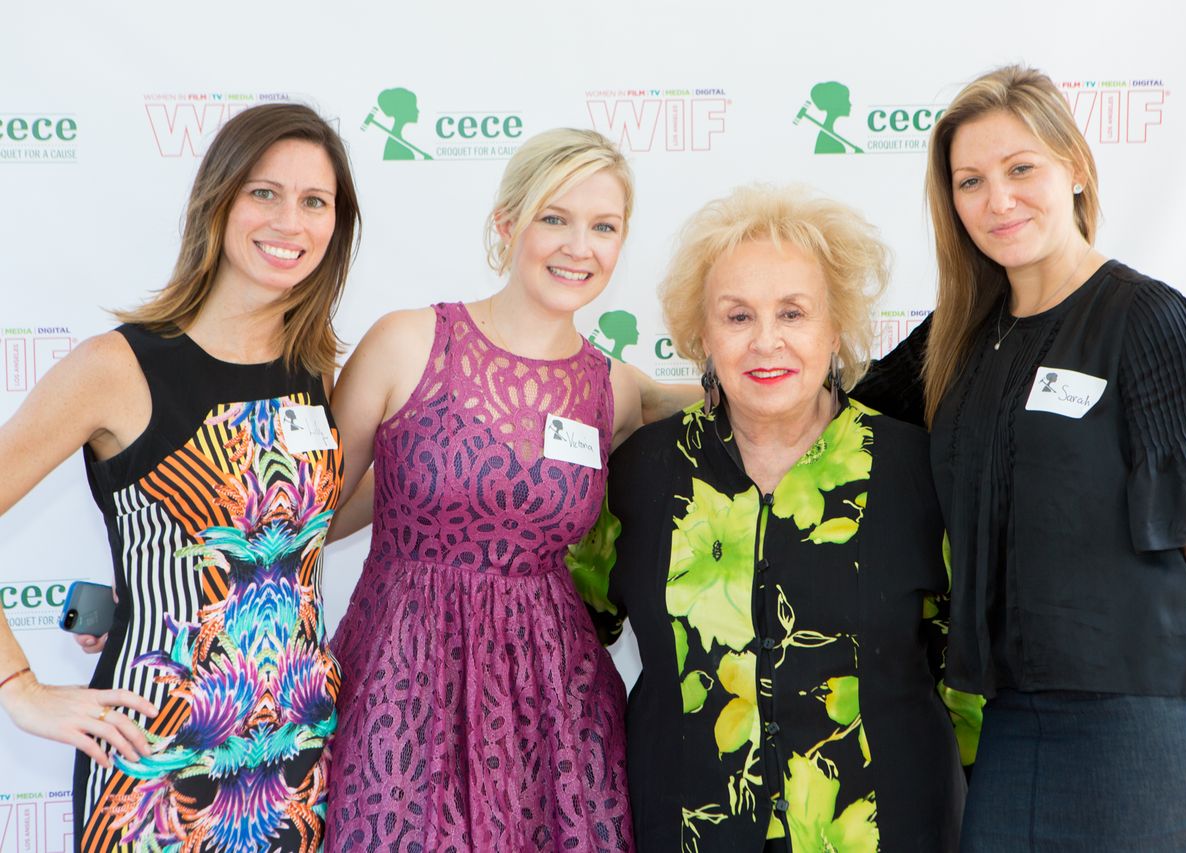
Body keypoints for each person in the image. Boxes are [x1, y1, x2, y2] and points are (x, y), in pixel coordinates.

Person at [855, 65, 1186, 850]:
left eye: (1022, 169)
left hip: (1152, 721)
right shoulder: (959, 337)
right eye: (971, 180)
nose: (998, 199)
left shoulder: (1150, 320)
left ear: (1075, 169)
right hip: (1015, 724)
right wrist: (619, 385)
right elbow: (820, 405)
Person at [569, 185, 977, 851]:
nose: (766, 342)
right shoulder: (639, 473)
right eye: (737, 317)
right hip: (685, 826)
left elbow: (970, 672)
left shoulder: (919, 471)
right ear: (701, 333)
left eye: (793, 313)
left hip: (890, 826)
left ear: (836, 327)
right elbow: (567, 634)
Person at [0, 102, 360, 851]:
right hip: (154, 762)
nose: (289, 222)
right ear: (218, 201)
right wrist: (19, 689)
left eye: (314, 201)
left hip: (296, 760)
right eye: (264, 192)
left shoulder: (312, 367)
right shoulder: (117, 367)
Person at [325, 128, 691, 851]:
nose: (578, 246)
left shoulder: (613, 387)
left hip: (552, 704)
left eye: (603, 226)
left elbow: (713, 397)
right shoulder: (407, 340)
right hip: (403, 684)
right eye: (554, 218)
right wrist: (171, 592)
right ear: (507, 225)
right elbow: (307, 515)